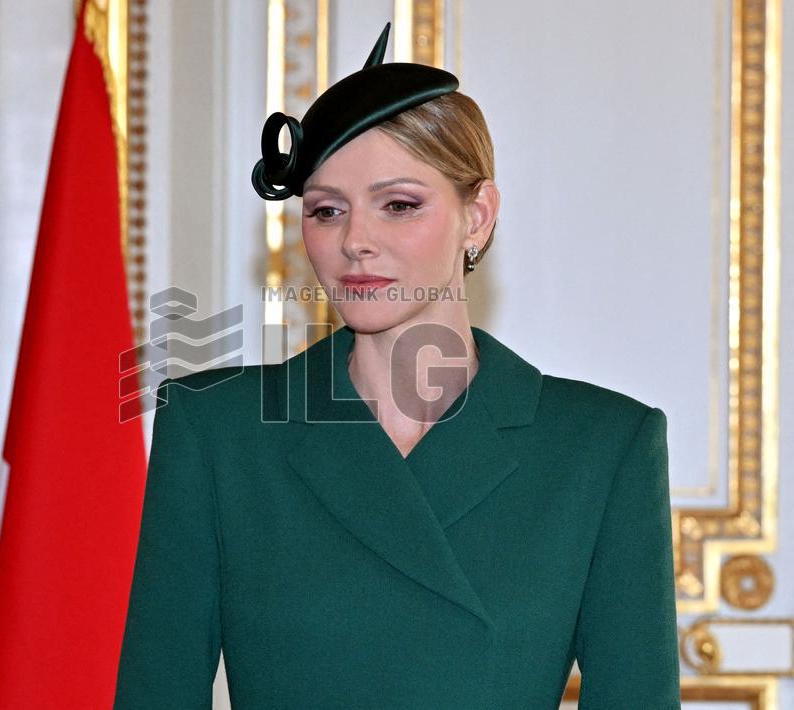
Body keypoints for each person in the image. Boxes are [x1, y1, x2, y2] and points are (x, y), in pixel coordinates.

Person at [114, 22, 681, 710]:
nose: (356, 241)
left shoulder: (602, 447)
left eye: (400, 205)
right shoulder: (217, 431)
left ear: (477, 217)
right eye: (326, 211)